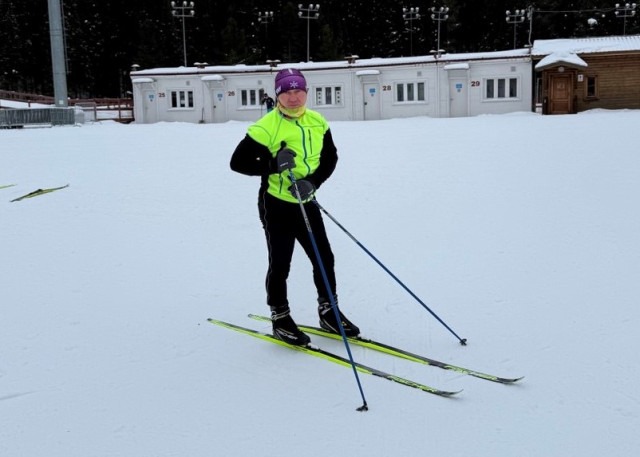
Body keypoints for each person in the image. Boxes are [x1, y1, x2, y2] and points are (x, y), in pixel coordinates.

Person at [230, 68, 360, 346]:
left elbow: (330, 158)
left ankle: (328, 312)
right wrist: (273, 165)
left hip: (306, 201)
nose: (293, 97)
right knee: (280, 263)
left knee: (323, 257)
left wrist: (312, 183)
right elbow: (238, 163)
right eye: (286, 91)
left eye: (297, 90)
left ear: (306, 92)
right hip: (275, 204)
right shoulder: (266, 126)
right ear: (277, 95)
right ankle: (280, 317)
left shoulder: (317, 121)